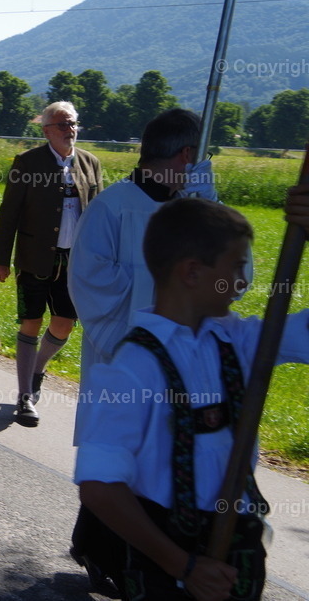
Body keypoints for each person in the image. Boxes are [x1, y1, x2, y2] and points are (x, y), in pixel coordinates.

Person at [74, 197, 309, 601]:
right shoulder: (132, 369)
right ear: (193, 272)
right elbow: (99, 488)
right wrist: (184, 566)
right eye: (236, 267)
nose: (242, 282)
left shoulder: (238, 340)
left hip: (236, 552)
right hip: (164, 565)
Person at [67, 108, 221, 598]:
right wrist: (149, 327)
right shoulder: (112, 207)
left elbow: (232, 277)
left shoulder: (193, 212)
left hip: (182, 362)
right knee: (118, 456)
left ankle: (120, 554)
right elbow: (89, 280)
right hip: (124, 357)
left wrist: (210, 213)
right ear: (186, 155)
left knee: (154, 461)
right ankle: (105, 555)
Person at [0, 101, 102, 427]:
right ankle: (25, 395)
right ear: (47, 130)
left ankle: (37, 369)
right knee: (31, 322)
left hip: (74, 263)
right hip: (33, 258)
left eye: (74, 123)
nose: (71, 130)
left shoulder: (91, 163)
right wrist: (0, 259)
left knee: (64, 324)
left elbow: (99, 217)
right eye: (64, 124)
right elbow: (8, 212)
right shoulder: (27, 162)